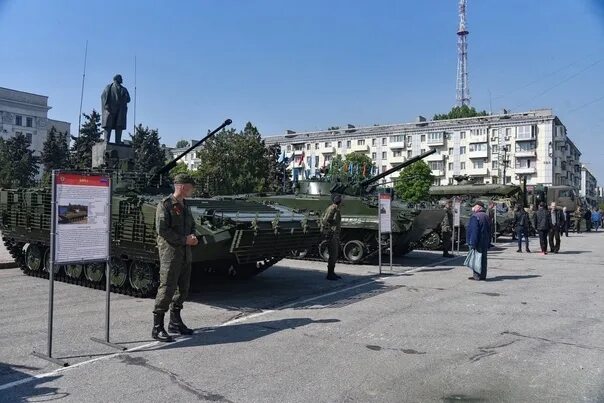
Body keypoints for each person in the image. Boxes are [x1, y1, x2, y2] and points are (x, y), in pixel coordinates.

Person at [152, 174, 199, 342]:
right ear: (182, 186)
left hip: (185, 253)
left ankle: (175, 322)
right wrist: (184, 240)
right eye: (191, 186)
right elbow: (162, 230)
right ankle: (157, 327)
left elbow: (192, 225)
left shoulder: (185, 205)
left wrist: (193, 236)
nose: (192, 189)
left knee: (183, 289)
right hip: (170, 254)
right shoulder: (165, 205)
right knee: (167, 289)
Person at [101, 74, 131, 144]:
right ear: (117, 79)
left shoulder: (124, 89)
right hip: (110, 109)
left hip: (120, 110)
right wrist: (106, 105)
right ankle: (106, 140)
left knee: (119, 126)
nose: (122, 80)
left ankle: (118, 141)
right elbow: (103, 96)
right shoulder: (109, 87)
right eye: (121, 78)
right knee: (108, 125)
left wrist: (125, 97)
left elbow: (129, 99)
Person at [466, 201, 491, 281]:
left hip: (478, 241)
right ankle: (483, 275)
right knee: (483, 258)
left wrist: (473, 243)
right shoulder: (486, 216)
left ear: (479, 207)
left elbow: (474, 231)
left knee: (477, 259)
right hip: (485, 241)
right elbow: (490, 230)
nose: (473, 208)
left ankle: (477, 275)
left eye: (475, 206)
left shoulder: (475, 217)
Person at [322, 194, 342, 280]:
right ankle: (330, 274)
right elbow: (326, 220)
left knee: (335, 254)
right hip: (331, 234)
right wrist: (331, 228)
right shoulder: (333, 208)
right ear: (339, 201)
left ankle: (332, 272)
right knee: (333, 254)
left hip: (334, 233)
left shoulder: (335, 208)